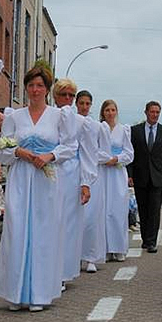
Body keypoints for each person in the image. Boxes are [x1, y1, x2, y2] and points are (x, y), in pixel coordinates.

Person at [0, 65, 77, 312]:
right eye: (31, 85)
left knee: (43, 233)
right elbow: (2, 149)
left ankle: (40, 293)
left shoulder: (59, 116)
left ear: (47, 89)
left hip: (45, 179)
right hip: (21, 177)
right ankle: (15, 292)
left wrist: (50, 156)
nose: (35, 90)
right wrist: (18, 151)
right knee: (17, 231)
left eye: (40, 85)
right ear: (26, 88)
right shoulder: (14, 118)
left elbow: (70, 146)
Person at [52, 79, 98, 287]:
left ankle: (62, 272)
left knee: (68, 225)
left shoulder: (82, 123)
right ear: (55, 96)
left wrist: (86, 182)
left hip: (71, 175)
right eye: (64, 95)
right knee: (50, 222)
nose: (68, 100)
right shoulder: (49, 117)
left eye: (71, 96)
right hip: (48, 173)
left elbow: (89, 154)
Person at [127, 101, 162, 253]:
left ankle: (152, 241)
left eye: (157, 112)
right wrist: (129, 175)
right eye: (152, 112)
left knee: (154, 210)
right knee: (143, 209)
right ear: (146, 112)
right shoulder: (135, 131)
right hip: (140, 176)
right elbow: (131, 155)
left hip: (158, 177)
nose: (155, 115)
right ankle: (145, 238)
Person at [77, 90, 111, 273]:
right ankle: (73, 255)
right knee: (74, 218)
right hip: (73, 174)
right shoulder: (70, 122)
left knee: (91, 218)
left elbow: (104, 152)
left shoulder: (98, 127)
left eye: (87, 104)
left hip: (92, 175)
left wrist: (89, 156)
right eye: (81, 103)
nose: (83, 107)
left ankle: (91, 256)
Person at [100, 100, 134, 262]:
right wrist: (103, 160)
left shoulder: (124, 130)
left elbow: (129, 153)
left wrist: (116, 159)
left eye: (113, 110)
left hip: (118, 172)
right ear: (103, 112)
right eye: (107, 110)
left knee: (118, 210)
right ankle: (105, 247)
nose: (110, 113)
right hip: (103, 173)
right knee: (104, 209)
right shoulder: (99, 129)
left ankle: (119, 247)